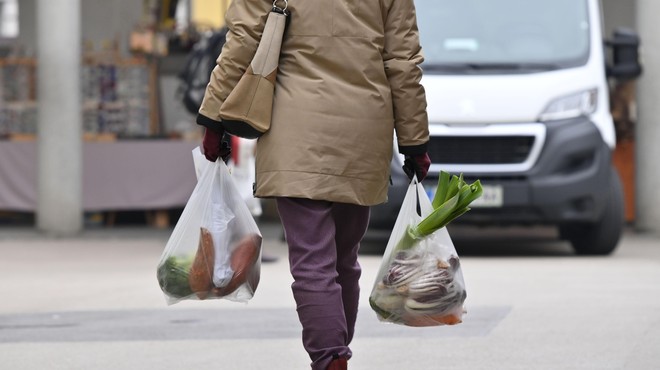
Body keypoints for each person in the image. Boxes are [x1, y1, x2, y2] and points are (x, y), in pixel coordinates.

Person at [196, 0, 431, 369]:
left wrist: (213, 118)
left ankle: (331, 358)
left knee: (312, 262)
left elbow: (243, 40)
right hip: (363, 131)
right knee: (343, 260)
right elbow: (403, 62)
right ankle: (336, 352)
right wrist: (415, 141)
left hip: (294, 133)